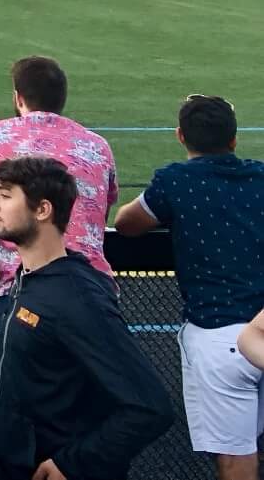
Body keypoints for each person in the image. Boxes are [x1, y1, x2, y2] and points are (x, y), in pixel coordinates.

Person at [0, 157, 173, 480]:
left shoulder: (79, 298)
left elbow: (150, 406)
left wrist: (72, 463)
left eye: (5, 194)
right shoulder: (26, 276)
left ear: (42, 210)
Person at [115, 93, 264, 479]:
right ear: (234, 139)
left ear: (181, 136)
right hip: (259, 325)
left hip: (219, 338)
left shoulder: (176, 181)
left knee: (235, 457)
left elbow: (126, 223)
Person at [0, 55, 116, 318]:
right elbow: (98, 220)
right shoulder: (97, 146)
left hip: (25, 287)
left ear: (18, 98)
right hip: (93, 287)